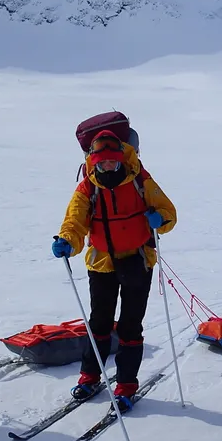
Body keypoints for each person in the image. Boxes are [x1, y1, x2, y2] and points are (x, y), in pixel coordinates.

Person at [53, 130, 176, 409]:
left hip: (137, 260)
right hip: (102, 263)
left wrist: (161, 219)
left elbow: (169, 211)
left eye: (112, 162)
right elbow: (75, 222)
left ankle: (126, 385)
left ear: (121, 160)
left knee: (131, 324)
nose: (108, 167)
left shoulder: (141, 182)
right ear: (93, 163)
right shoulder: (87, 188)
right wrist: (67, 242)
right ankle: (89, 376)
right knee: (99, 323)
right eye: (102, 163)